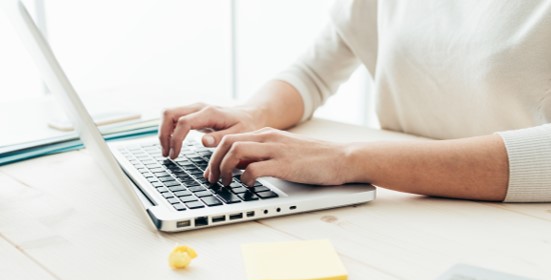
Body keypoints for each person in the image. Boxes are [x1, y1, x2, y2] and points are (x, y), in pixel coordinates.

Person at [159, 0, 551, 202]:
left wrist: (347, 159)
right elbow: (312, 73)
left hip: (520, 223)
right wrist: (251, 113)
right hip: (406, 204)